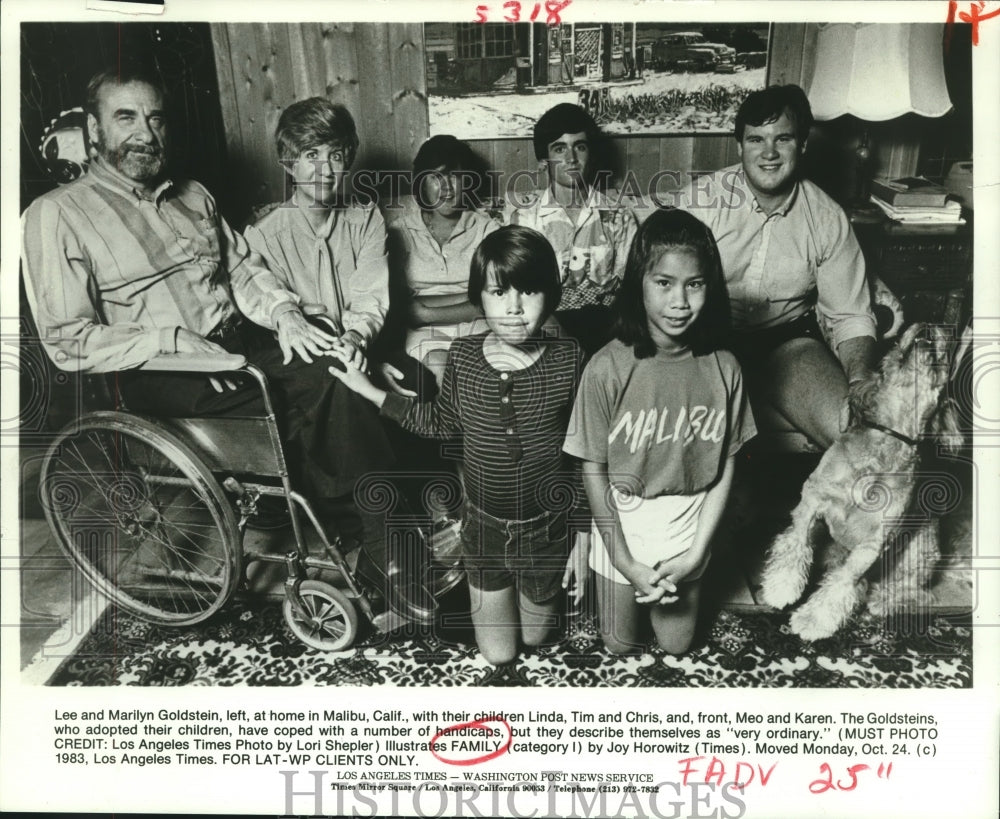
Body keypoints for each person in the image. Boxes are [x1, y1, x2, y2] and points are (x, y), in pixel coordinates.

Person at [20, 65, 433, 622]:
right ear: (94, 131)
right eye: (126, 118)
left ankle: (376, 532)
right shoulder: (55, 216)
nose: (146, 132)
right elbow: (67, 341)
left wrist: (285, 312)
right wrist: (171, 339)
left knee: (336, 357)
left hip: (235, 348)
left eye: (155, 117)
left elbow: (245, 270)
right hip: (158, 372)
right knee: (312, 390)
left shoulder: (192, 196)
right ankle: (386, 542)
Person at [328, 226, 589, 665]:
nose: (514, 308)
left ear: (552, 295)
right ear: (478, 297)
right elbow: (439, 422)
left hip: (546, 530)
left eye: (530, 292)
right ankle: (449, 579)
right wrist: (372, 392)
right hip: (484, 528)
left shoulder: (569, 358)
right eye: (498, 292)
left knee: (539, 637)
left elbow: (584, 452)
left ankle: (501, 595)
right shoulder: (464, 358)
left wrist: (584, 535)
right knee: (500, 654)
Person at [563, 209, 756, 655]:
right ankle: (617, 579)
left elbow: (726, 468)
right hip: (623, 519)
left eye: (695, 284)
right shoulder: (607, 366)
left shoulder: (724, 366)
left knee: (677, 646)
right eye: (664, 283)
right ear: (639, 284)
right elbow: (592, 470)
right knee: (618, 644)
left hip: (690, 521)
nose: (680, 302)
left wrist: (694, 555)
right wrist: (623, 559)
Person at [678, 84, 876, 449]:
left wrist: (860, 378)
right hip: (707, 340)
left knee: (853, 439)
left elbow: (850, 314)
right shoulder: (700, 202)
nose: (768, 153)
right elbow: (663, 291)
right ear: (739, 146)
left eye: (782, 139)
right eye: (756, 140)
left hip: (788, 344)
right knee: (688, 436)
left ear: (801, 145)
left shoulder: (827, 217)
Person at [243, 97, 388, 363]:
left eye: (335, 156)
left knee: (415, 379)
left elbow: (370, 297)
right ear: (289, 164)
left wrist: (355, 339)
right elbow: (274, 310)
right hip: (303, 356)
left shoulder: (367, 219)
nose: (326, 170)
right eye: (312, 155)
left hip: (362, 344)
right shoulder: (261, 236)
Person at [506, 103, 638, 357]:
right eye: (559, 148)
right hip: (548, 326)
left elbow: (630, 287)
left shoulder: (619, 216)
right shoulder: (525, 221)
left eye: (580, 146)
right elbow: (520, 295)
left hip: (608, 327)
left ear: (591, 153)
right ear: (544, 161)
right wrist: (566, 343)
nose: (571, 159)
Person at [380, 134, 498, 389]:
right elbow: (402, 307)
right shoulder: (400, 231)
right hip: (425, 334)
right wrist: (470, 298)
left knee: (485, 367)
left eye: (454, 176)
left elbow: (492, 301)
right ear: (422, 183)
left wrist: (426, 312)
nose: (446, 188)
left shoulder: (486, 229)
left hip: (477, 326)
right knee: (439, 364)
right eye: (436, 177)